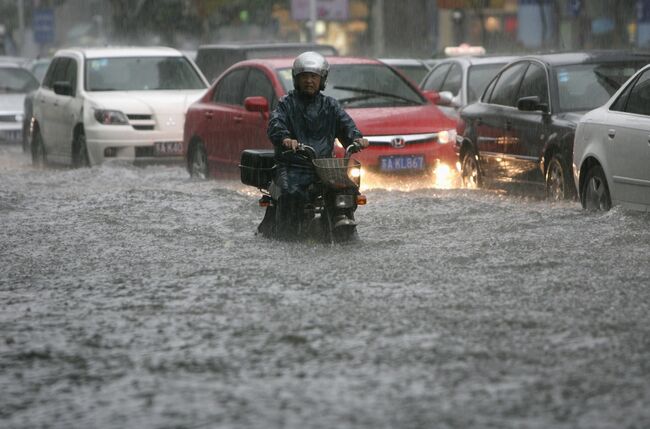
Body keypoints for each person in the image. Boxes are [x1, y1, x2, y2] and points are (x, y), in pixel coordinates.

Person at [267, 51, 369, 239]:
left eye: (313, 76)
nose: (309, 81)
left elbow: (345, 124)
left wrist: (356, 138)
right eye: (304, 76)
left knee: (349, 189)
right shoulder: (286, 104)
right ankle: (287, 237)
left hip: (325, 167)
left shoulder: (330, 105)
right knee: (292, 194)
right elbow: (275, 124)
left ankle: (343, 226)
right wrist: (285, 139)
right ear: (296, 79)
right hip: (294, 166)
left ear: (322, 79)